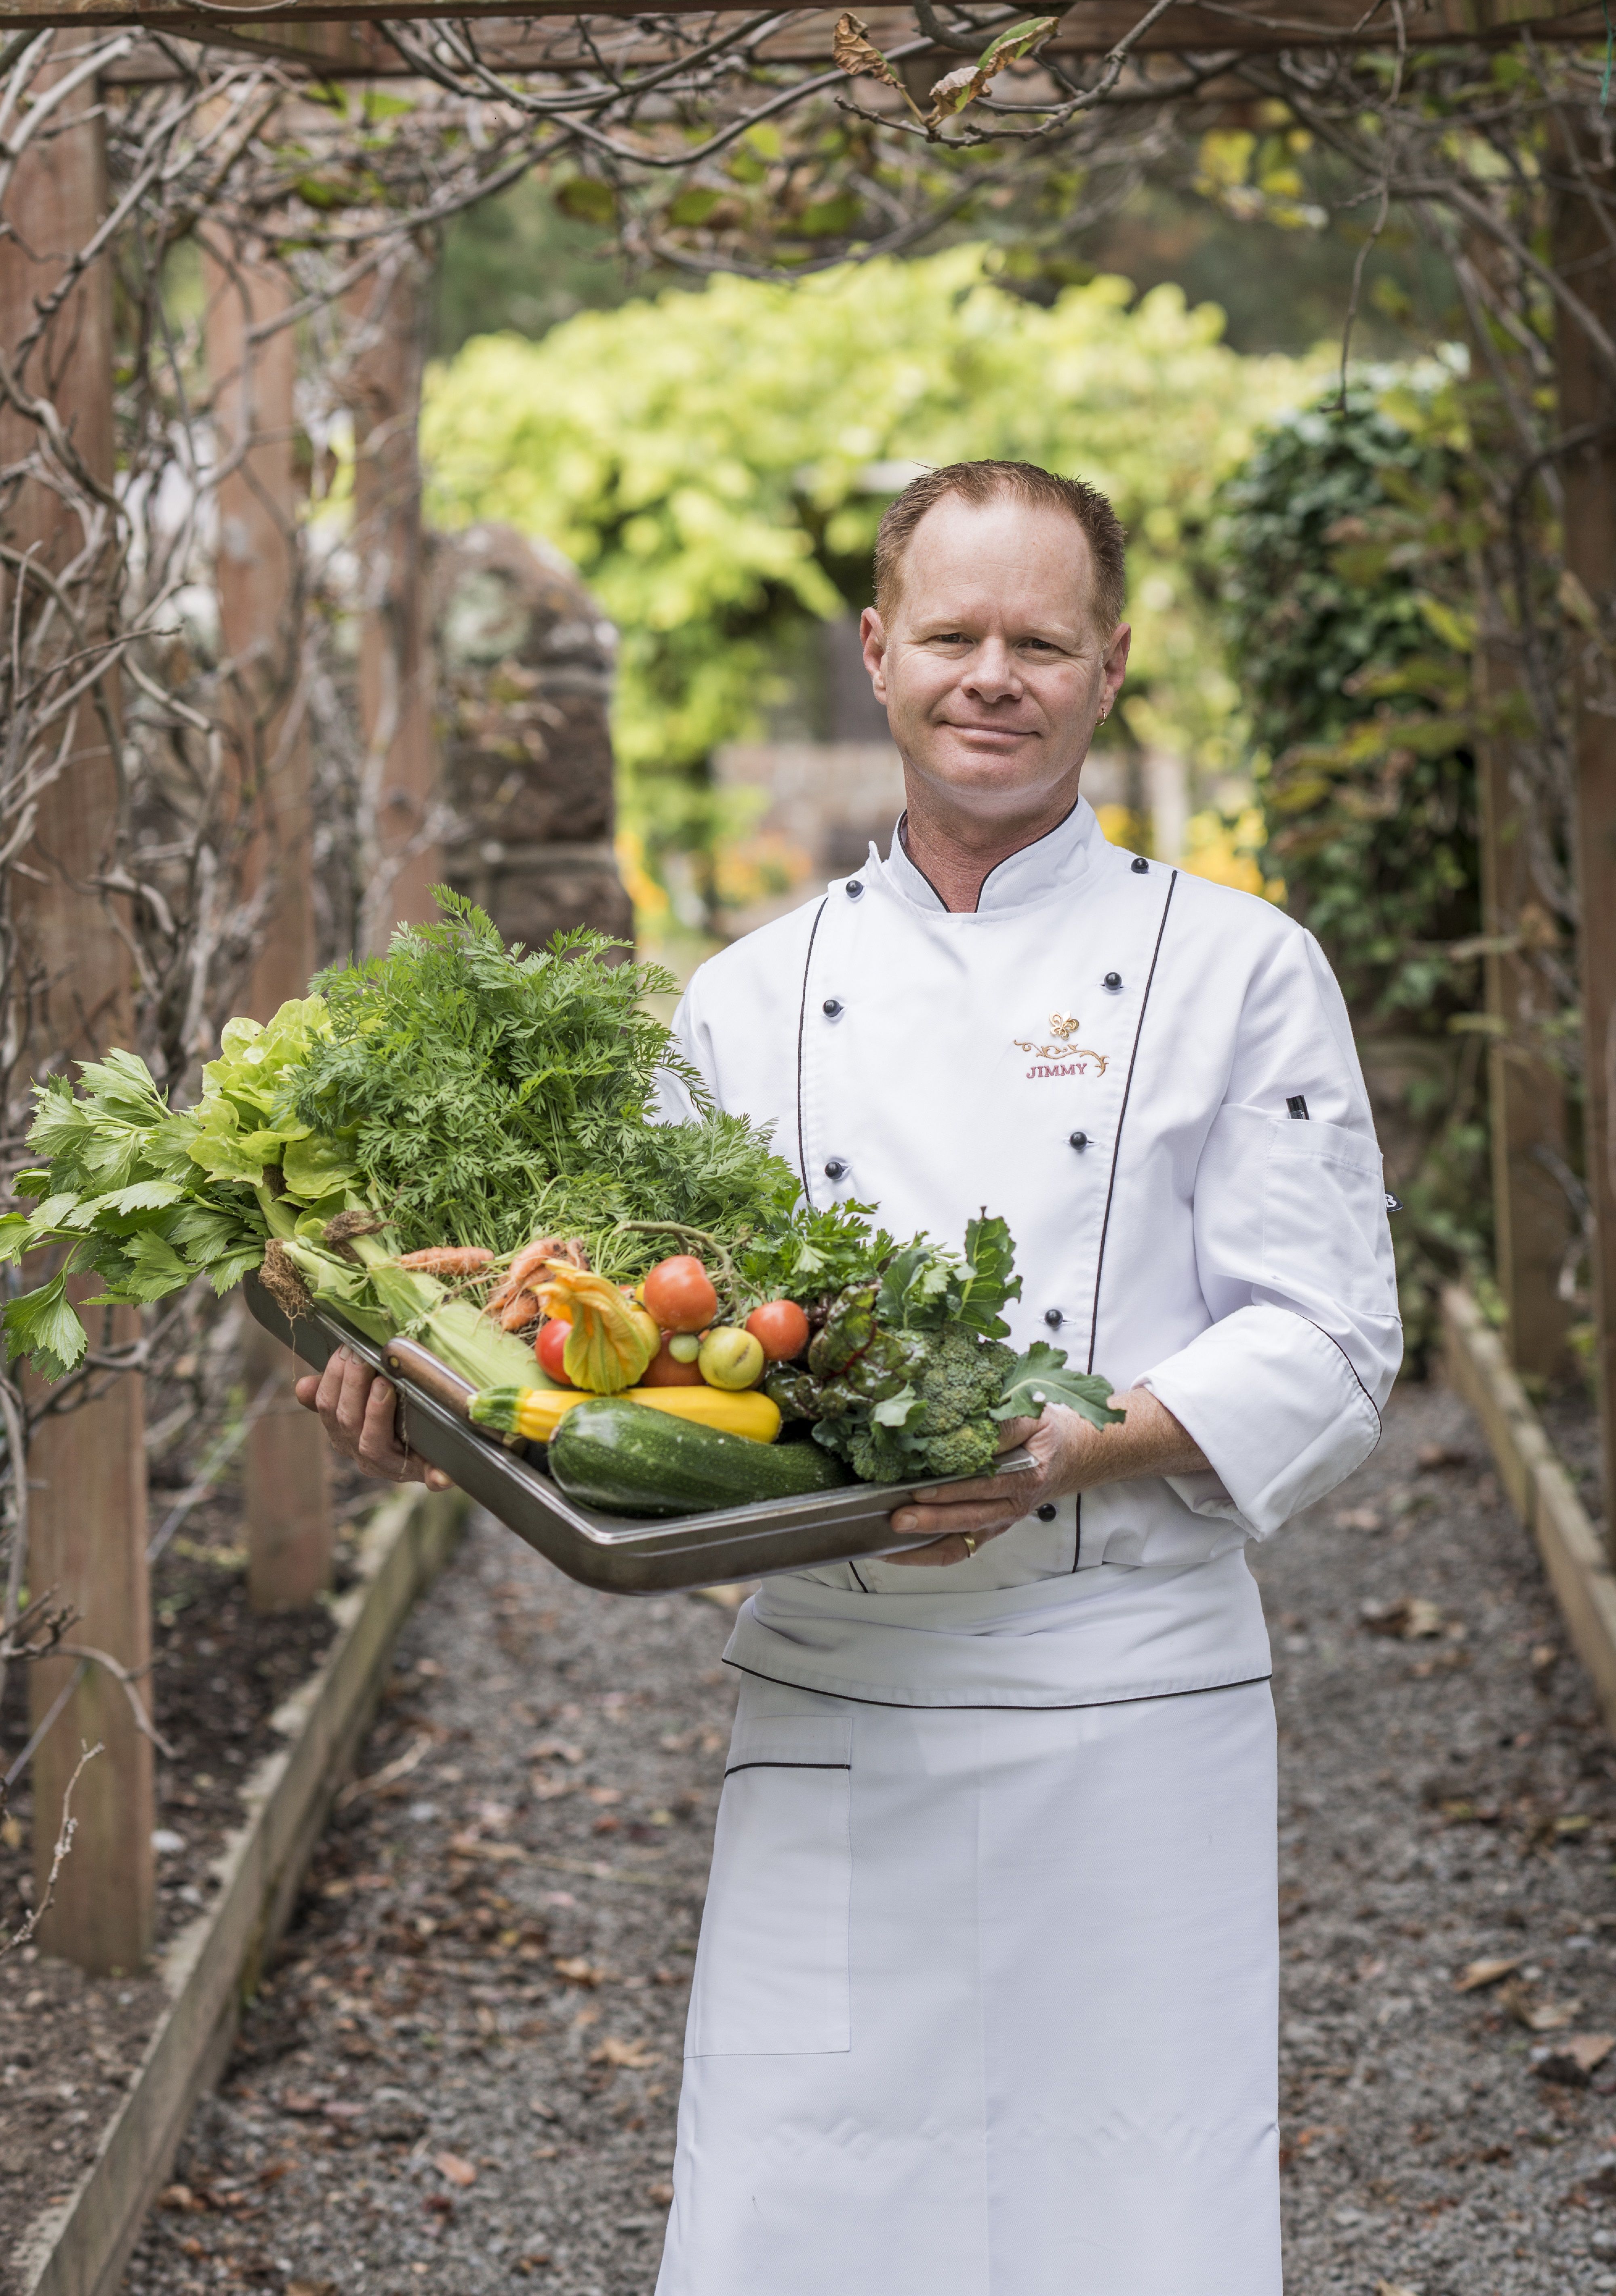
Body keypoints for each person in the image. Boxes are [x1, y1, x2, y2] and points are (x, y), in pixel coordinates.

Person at [300, 458, 1401, 2296]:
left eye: (1038, 638)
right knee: (802, 2211)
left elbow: (1331, 1335)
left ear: (1110, 663)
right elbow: (637, 1347)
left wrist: (1075, 1446)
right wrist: (449, 1423)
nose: (994, 673)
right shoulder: (743, 998)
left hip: (1130, 1693)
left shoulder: (1239, 969)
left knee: (1132, 2209)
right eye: (954, 633)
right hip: (835, 1694)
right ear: (878, 652)